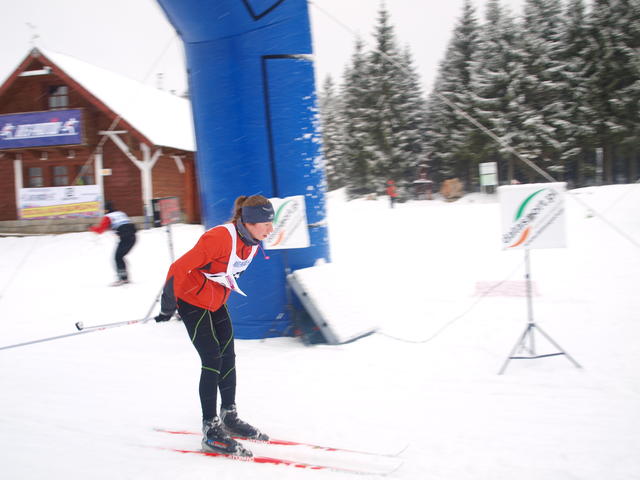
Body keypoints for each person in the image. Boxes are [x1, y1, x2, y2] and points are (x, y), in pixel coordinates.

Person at [154, 194, 274, 457]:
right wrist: (167, 305)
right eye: (266, 223)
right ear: (250, 221)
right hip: (191, 301)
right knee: (212, 358)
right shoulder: (220, 238)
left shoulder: (253, 243)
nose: (271, 228)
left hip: (216, 301)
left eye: (271, 222)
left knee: (228, 356)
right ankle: (210, 429)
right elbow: (178, 267)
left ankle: (229, 416)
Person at [90, 201, 137, 286]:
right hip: (133, 237)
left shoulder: (108, 217)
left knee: (118, 257)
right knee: (120, 256)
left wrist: (91, 228)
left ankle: (123, 279)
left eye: (103, 209)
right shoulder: (121, 213)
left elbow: (100, 230)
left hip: (125, 238)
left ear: (106, 210)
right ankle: (124, 277)